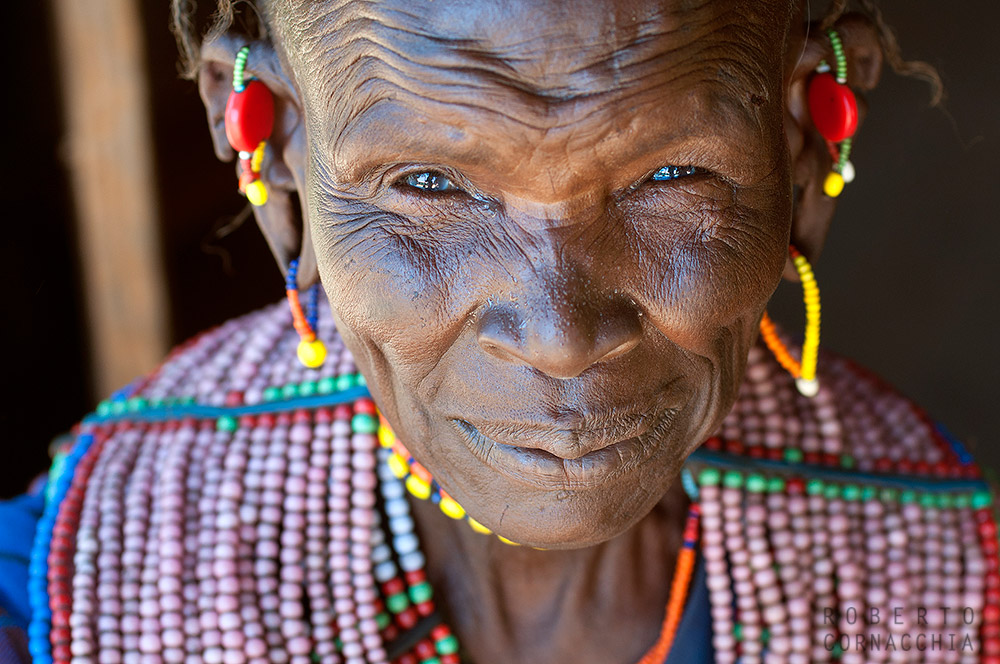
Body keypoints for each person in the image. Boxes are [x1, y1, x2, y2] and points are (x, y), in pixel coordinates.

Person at [2, 0, 996, 663]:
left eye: (667, 176)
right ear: (269, 142)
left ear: (812, 136)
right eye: (430, 184)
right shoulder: (56, 597)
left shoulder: (939, 588)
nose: (560, 334)